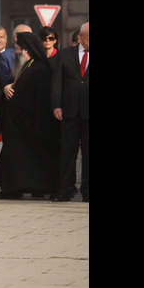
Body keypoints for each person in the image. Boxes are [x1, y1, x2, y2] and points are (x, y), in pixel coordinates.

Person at [0, 32, 59, 197]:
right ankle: (13, 189)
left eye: (19, 48)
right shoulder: (25, 65)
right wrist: (6, 88)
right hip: (17, 124)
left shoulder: (40, 67)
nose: (17, 51)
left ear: (27, 49)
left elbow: (41, 97)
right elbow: (15, 85)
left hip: (30, 122)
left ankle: (40, 188)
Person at [51, 22, 89, 202]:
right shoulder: (66, 55)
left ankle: (87, 191)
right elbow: (56, 83)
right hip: (69, 112)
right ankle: (66, 189)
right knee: (68, 152)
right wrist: (56, 105)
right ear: (80, 37)